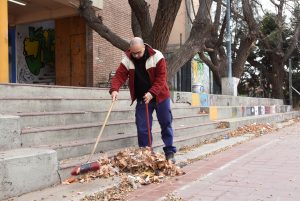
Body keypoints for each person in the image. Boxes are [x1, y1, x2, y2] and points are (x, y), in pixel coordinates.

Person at [109, 37, 176, 163]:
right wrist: (114, 89)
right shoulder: (127, 59)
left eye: (139, 52)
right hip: (142, 98)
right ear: (130, 50)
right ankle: (146, 155)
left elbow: (162, 78)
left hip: (160, 96)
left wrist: (152, 93)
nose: (137, 55)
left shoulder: (157, 56)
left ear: (144, 47)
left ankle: (169, 151)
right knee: (142, 128)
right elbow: (119, 75)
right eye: (134, 53)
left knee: (166, 123)